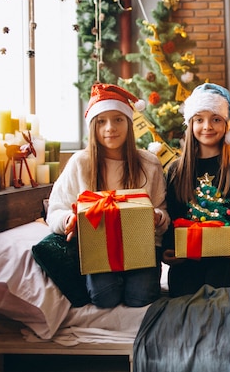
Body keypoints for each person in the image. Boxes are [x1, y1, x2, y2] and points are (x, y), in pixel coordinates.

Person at [46, 83, 170, 308]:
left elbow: (163, 213)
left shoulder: (149, 163)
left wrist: (158, 217)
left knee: (140, 298)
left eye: (118, 119)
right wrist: (68, 220)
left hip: (141, 249)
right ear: (92, 126)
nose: (110, 128)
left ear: (129, 123)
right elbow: (55, 210)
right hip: (98, 251)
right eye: (102, 121)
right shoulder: (80, 163)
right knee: (104, 298)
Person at [161, 83, 230, 298]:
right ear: (190, 124)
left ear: (227, 125)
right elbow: (170, 213)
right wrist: (168, 249)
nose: (207, 126)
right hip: (188, 258)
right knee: (185, 296)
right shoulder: (177, 170)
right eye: (199, 119)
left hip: (228, 257)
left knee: (219, 296)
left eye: (215, 119)